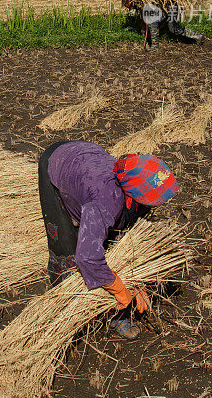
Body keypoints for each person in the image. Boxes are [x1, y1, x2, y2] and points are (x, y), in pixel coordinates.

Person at [38, 140, 179, 339]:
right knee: (66, 249)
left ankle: (115, 314)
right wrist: (120, 290)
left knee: (109, 242)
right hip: (58, 162)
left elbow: (123, 242)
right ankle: (64, 309)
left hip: (86, 156)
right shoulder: (105, 201)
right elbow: (87, 257)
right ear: (135, 195)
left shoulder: (136, 192)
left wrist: (136, 283)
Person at [122, 0, 203, 51]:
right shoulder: (140, 3)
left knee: (173, 29)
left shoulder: (144, 0)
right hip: (164, 9)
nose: (127, 7)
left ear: (130, 1)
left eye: (126, 4)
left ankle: (155, 46)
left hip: (170, 7)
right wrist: (143, 30)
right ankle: (197, 36)